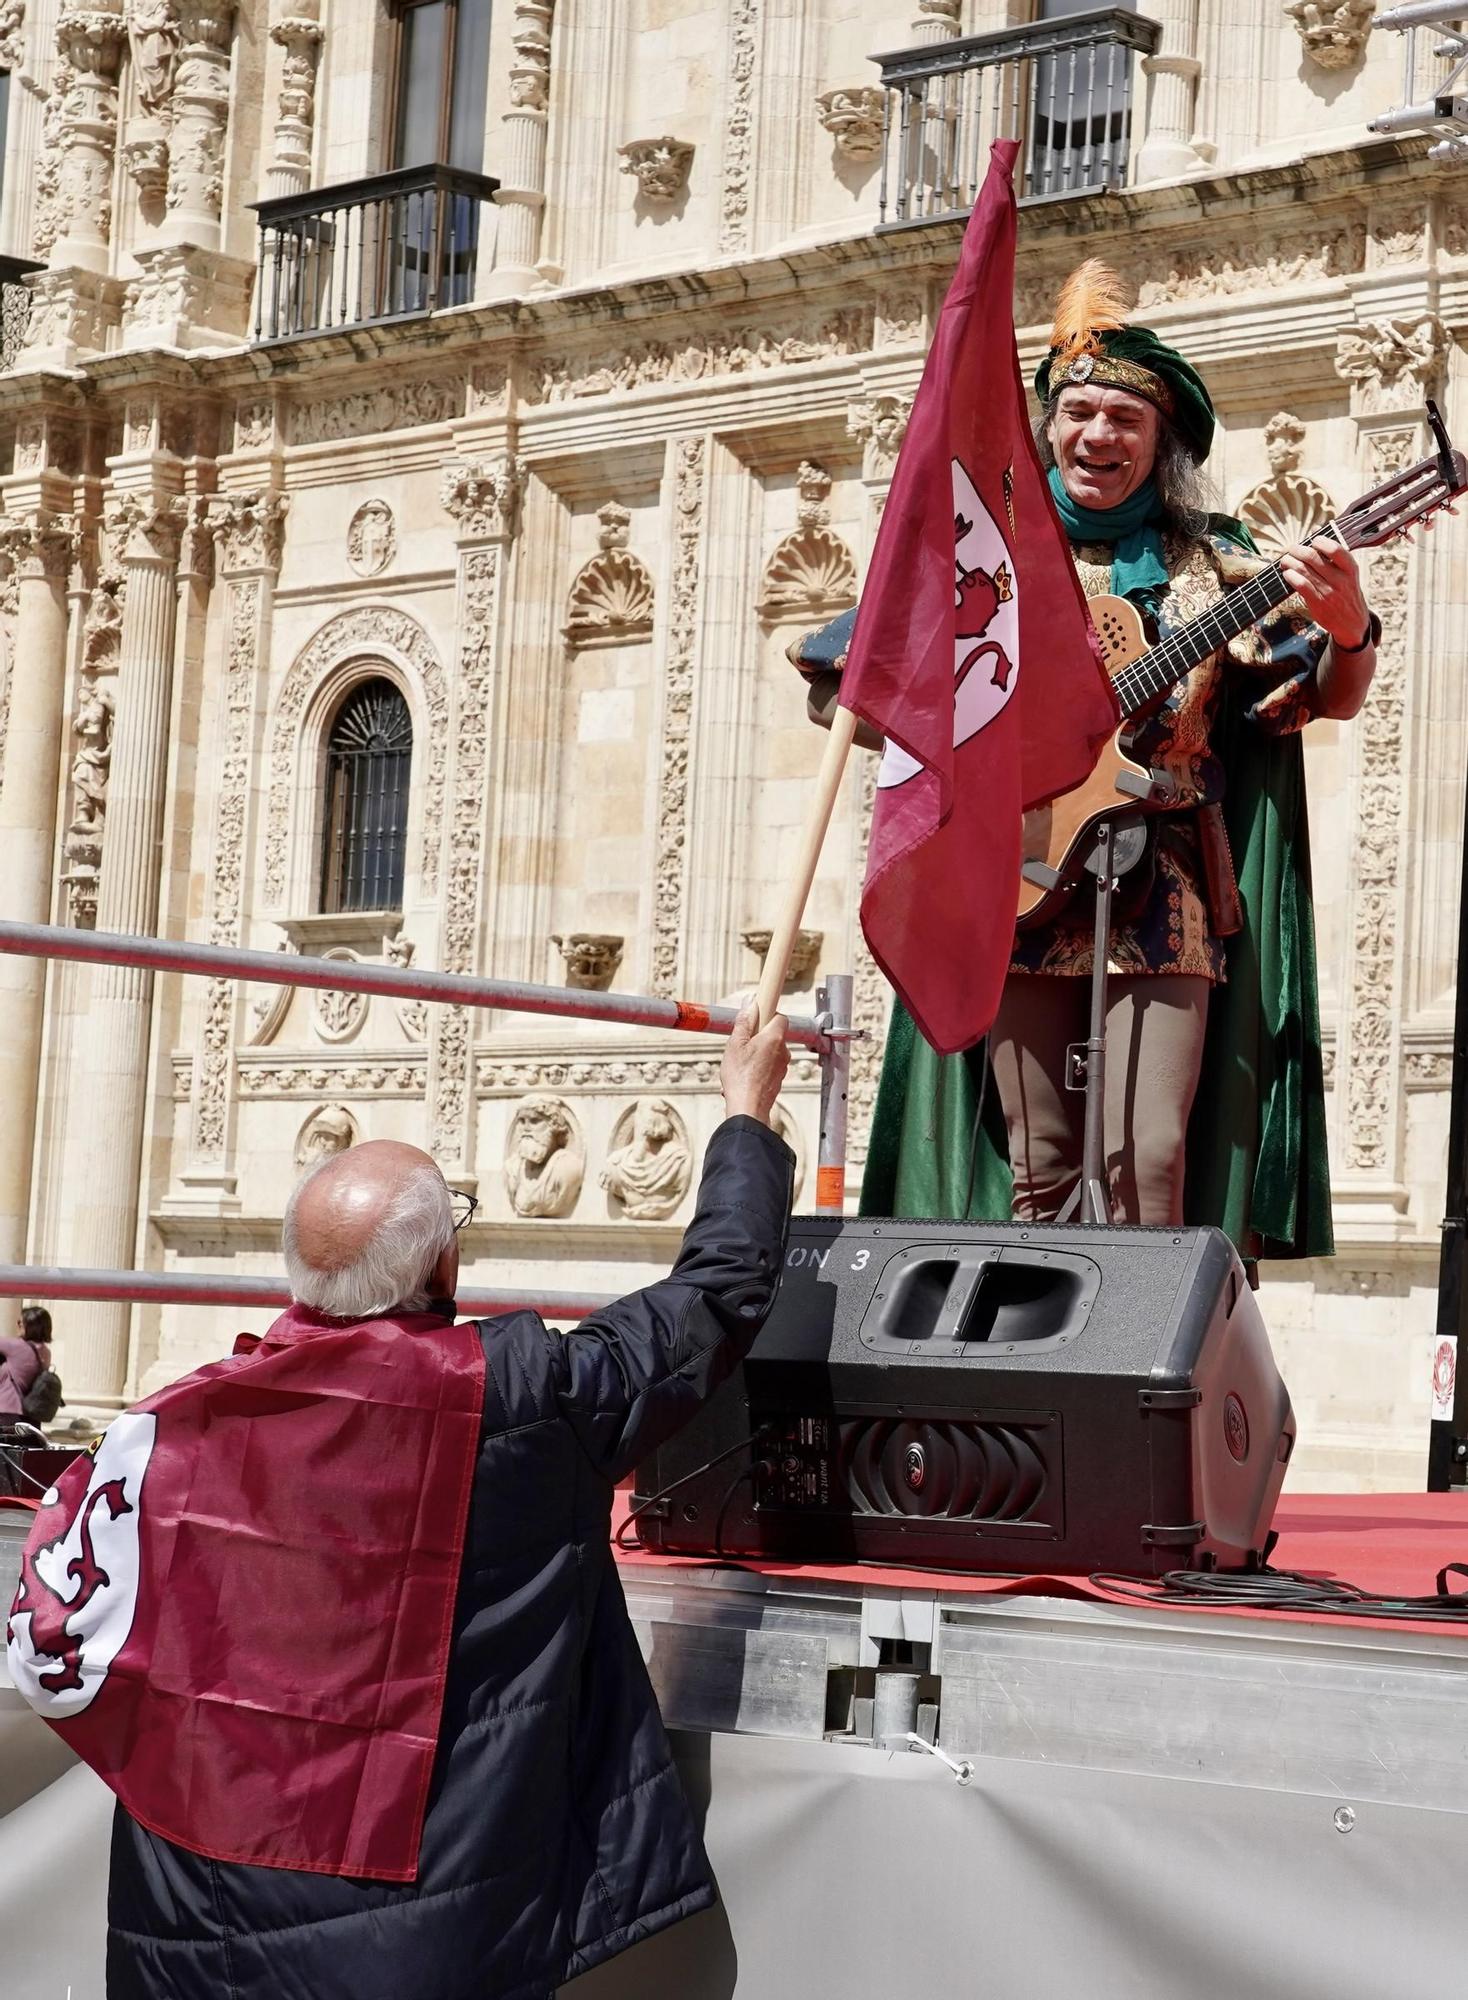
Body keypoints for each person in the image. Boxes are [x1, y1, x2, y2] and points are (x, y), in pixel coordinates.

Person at [11, 1006, 793, 2000]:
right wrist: (744, 1114)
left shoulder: (176, 1428)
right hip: (413, 1949)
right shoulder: (523, 1398)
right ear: (440, 1268)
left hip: (189, 1931)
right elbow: (715, 1296)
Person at [793, 261, 1368, 1260]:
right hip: (1021, 873)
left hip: (1167, 885)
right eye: (1079, 412)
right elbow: (841, 664)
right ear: (1049, 425)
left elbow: (1316, 690)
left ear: (1161, 442)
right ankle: (1029, 1371)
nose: (1098, 435)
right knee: (1042, 1162)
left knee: (1142, 1160)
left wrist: (1350, 629)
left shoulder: (1216, 559)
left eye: (1124, 420)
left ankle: (1135, 1390)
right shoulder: (989, 556)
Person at [0, 1305, 53, 1422]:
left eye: (21, 1322)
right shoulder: (46, 1352)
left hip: (6, 1414)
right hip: (31, 1415)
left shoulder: (15, 1346)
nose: (18, 1325)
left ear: (32, 1326)